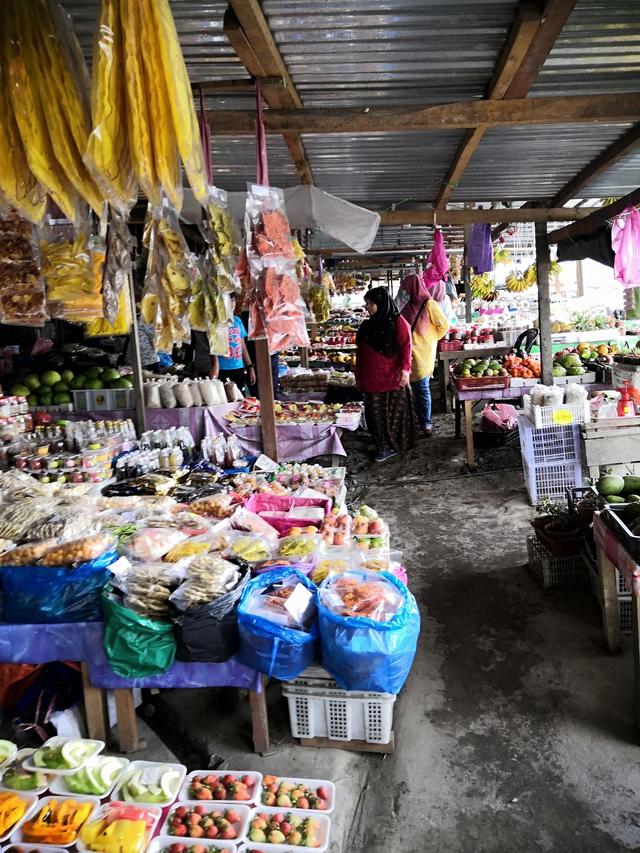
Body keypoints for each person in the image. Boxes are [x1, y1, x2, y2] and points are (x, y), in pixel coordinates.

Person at [355, 286, 416, 462]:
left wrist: (405, 369)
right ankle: (382, 445)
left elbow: (407, 348)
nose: (366, 307)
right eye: (366, 303)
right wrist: (358, 376)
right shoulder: (366, 326)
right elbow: (360, 354)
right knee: (375, 415)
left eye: (370, 303)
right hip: (371, 380)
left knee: (393, 413)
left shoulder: (398, 323)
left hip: (393, 377)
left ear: (381, 304)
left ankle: (392, 445)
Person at [399, 273, 449, 436]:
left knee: (421, 386)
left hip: (424, 352)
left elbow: (444, 325)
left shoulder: (430, 305)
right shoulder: (407, 306)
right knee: (411, 388)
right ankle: (415, 420)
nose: (405, 291)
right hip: (408, 352)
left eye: (406, 288)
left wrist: (432, 338)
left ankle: (425, 423)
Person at [210, 297, 256, 391]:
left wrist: (250, 366)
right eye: (229, 301)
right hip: (223, 369)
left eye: (233, 300)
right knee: (227, 398)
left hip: (239, 368)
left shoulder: (237, 320)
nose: (232, 304)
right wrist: (216, 365)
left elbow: (242, 346)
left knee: (240, 398)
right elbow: (213, 344)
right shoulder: (216, 322)